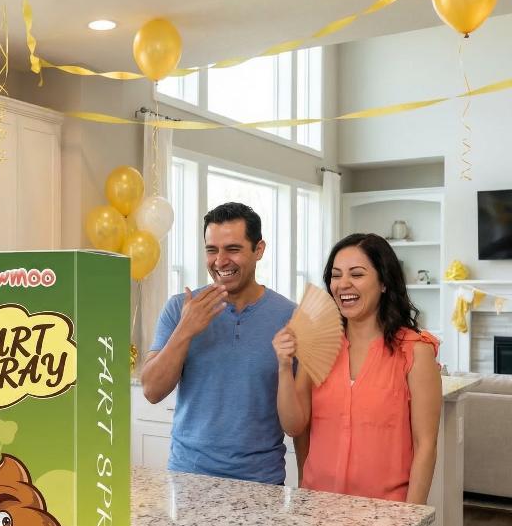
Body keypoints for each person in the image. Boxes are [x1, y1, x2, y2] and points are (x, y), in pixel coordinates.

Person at [272, 233, 441, 504]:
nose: (343, 284)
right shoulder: (319, 346)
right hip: (318, 509)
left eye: (357, 274)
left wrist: (412, 516)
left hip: (386, 513)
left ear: (384, 282)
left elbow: (426, 445)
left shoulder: (415, 352)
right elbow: (293, 426)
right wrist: (283, 365)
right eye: (336, 275)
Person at [141, 201, 296, 483]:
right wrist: (185, 329)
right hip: (189, 478)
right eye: (212, 250)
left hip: (261, 482)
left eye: (233, 249)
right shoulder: (179, 308)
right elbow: (152, 391)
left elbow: (300, 418)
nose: (220, 261)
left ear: (259, 250)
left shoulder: (290, 316)